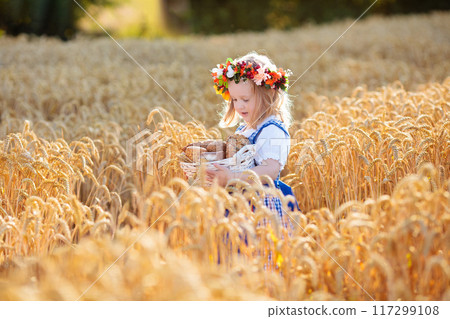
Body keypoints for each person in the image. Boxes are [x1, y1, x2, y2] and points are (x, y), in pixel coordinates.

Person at [207, 52, 300, 254]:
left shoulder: (271, 129)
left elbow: (270, 171)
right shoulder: (247, 128)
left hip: (262, 205)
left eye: (245, 99)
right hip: (241, 203)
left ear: (268, 94)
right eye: (234, 100)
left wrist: (232, 177)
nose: (239, 106)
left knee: (259, 255)